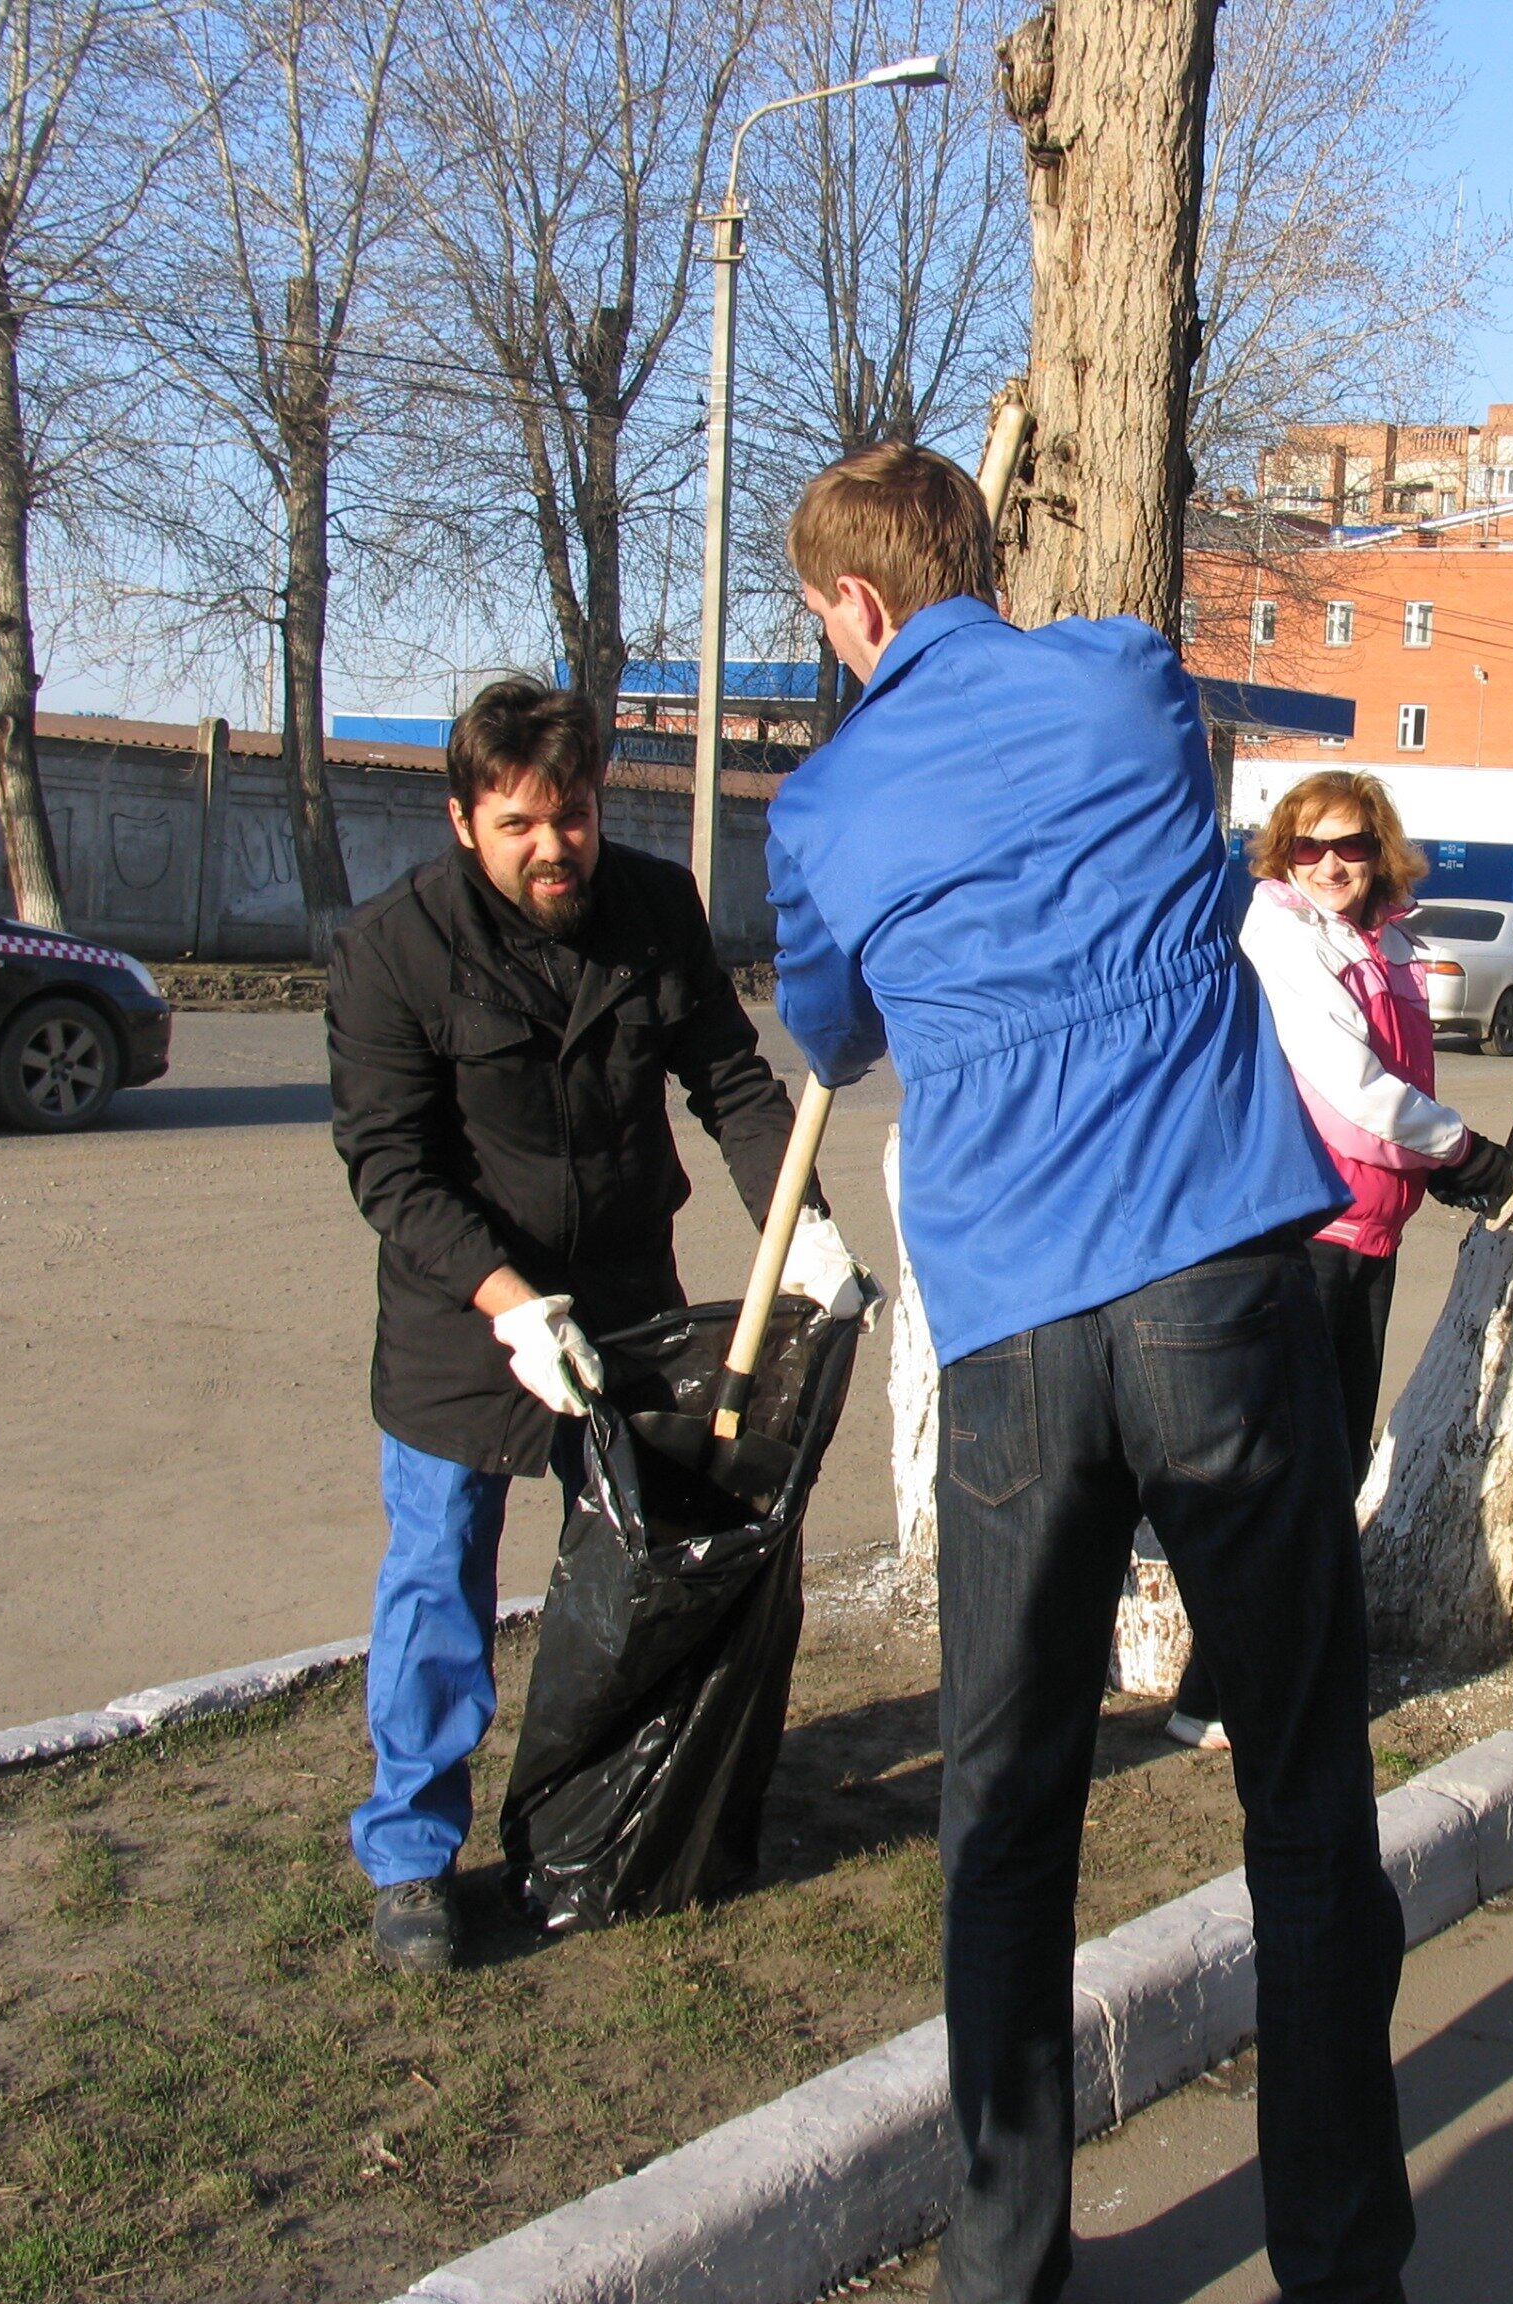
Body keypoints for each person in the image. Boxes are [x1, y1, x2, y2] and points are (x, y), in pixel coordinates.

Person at [763, 443, 1412, 2304]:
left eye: (823, 616)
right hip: (1216, 1285)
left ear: (858, 608)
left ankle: (1002, 2258)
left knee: (1007, 1802)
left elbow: (830, 1025)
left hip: (1019, 1341)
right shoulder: (1130, 678)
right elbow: (1186, 870)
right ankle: (1342, 2260)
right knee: (1299, 1786)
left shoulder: (823, 805)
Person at [326, 679, 862, 1973]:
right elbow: (391, 1166)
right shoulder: (395, 947)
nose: (551, 846)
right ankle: (411, 1854)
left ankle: (602, 1815)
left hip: (628, 1307)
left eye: (568, 816)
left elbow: (728, 1082)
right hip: (468, 1325)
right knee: (436, 1589)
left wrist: (812, 1230)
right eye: (517, 823)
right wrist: (510, 1308)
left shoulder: (650, 909)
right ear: (465, 822)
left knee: (633, 1577)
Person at [1155, 772, 1513, 1752]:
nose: (1329, 865)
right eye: (1308, 846)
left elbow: (1393, 1080)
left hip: (1366, 1236)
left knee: (1327, 1466)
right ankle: (1223, 1693)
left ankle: (1247, 1685)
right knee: (1290, 1470)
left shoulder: (1382, 940)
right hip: (1298, 1235)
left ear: (1379, 850)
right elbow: (1351, 1084)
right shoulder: (1282, 935)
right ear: (1281, 852)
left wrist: (1432, 1167)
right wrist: (1464, 1151)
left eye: (1351, 846)